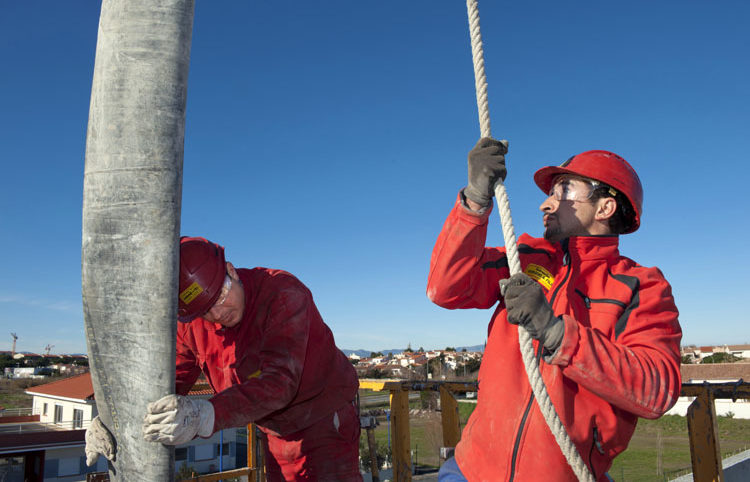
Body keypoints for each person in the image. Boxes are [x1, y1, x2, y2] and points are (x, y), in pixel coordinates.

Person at [427, 138, 682, 482]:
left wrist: (556, 333)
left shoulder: (641, 286)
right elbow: (446, 288)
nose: (546, 205)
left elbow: (656, 389)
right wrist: (473, 201)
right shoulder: (527, 257)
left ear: (605, 208)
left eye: (563, 190)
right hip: (470, 470)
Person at [87, 237, 363, 482]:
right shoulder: (191, 323)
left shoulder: (282, 293)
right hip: (274, 428)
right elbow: (166, 383)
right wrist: (113, 419)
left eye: (219, 296)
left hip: (323, 418)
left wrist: (205, 414)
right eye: (205, 310)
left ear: (231, 270)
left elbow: (280, 382)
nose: (217, 314)